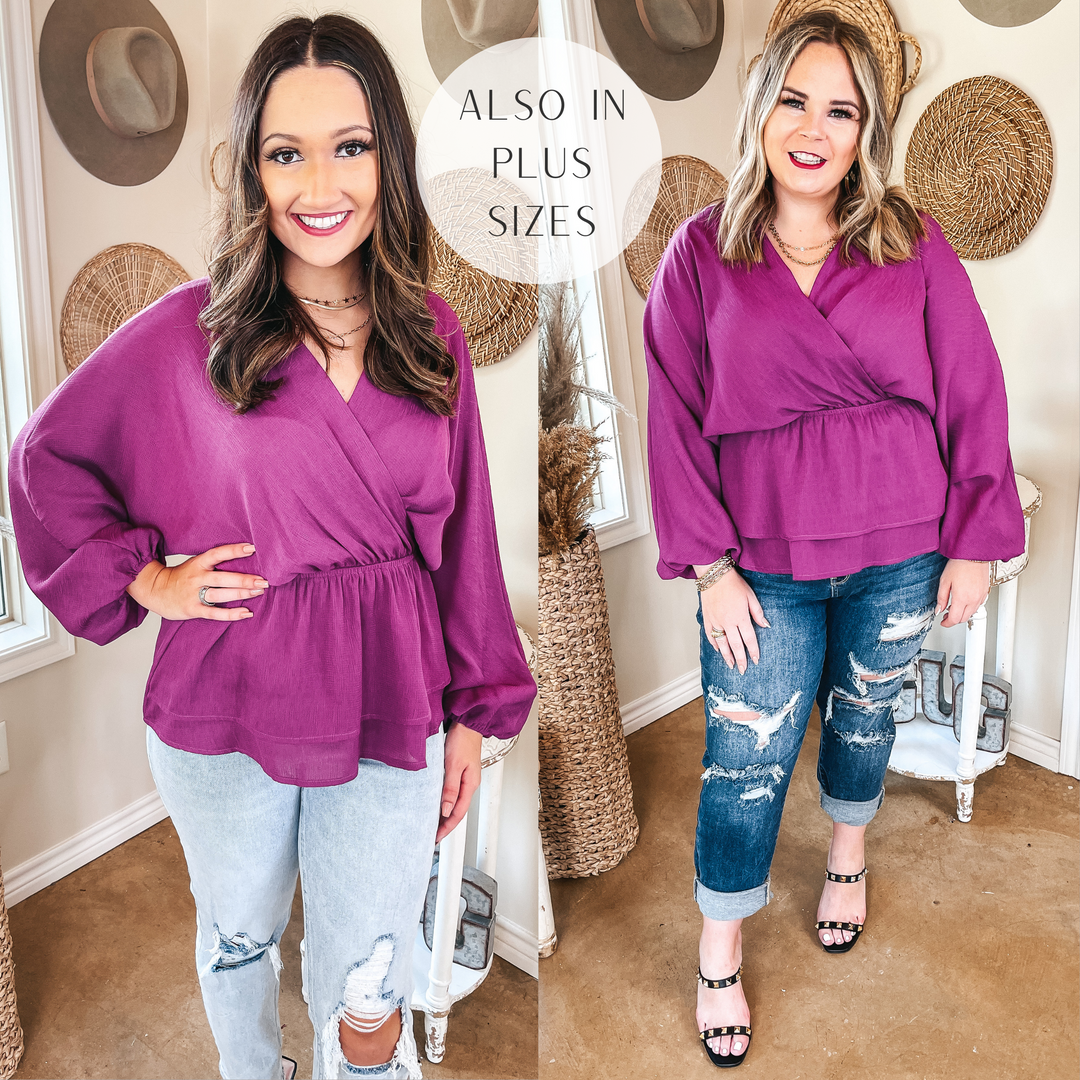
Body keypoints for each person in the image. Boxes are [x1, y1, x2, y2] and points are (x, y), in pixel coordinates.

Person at [8, 15, 534, 1080]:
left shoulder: (434, 334)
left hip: (391, 691)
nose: (318, 184)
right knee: (239, 935)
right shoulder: (190, 330)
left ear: (388, 156)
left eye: (351, 146)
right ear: (253, 168)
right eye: (285, 152)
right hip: (226, 696)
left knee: (372, 979)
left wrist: (475, 711)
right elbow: (43, 461)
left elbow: (466, 538)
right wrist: (148, 580)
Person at [643, 11, 1024, 1069]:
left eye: (841, 111)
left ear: (867, 131)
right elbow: (672, 417)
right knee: (745, 756)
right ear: (760, 109)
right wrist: (709, 568)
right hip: (758, 568)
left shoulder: (911, 239)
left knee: (866, 714)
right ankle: (721, 945)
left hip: (902, 550)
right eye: (794, 101)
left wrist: (974, 540)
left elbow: (974, 387)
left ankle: (847, 854)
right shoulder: (699, 254)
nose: (813, 130)